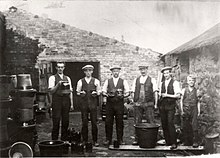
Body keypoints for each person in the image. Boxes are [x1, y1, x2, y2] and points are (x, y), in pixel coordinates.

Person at [131, 65, 158, 145]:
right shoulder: (136, 80)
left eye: (144, 70)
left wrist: (156, 103)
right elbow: (132, 91)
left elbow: (155, 92)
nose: (143, 71)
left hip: (148, 103)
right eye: (141, 70)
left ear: (147, 70)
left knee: (151, 120)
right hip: (138, 103)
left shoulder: (152, 79)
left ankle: (153, 139)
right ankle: (137, 139)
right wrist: (134, 101)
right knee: (137, 121)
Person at [102, 66, 130, 146]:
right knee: (108, 122)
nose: (115, 73)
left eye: (117, 71)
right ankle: (108, 139)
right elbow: (103, 91)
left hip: (119, 104)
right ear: (112, 72)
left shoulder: (123, 81)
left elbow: (128, 92)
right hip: (110, 104)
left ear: (119, 72)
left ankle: (120, 139)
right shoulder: (108, 81)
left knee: (120, 122)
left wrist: (123, 96)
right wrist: (107, 94)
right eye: (114, 71)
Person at [76, 65, 101, 147]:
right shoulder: (80, 81)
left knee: (94, 123)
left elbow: (99, 92)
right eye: (86, 71)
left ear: (92, 71)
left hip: (93, 105)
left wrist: (96, 93)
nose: (88, 72)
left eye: (90, 70)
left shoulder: (96, 81)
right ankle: (85, 140)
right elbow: (77, 92)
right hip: (84, 105)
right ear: (84, 72)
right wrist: (81, 94)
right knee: (84, 122)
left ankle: (95, 140)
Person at [48, 62, 73, 141]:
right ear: (56, 68)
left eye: (62, 67)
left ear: (64, 68)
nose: (60, 69)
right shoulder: (52, 78)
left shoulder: (67, 78)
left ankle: (64, 140)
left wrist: (72, 104)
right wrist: (58, 85)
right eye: (58, 67)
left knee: (65, 121)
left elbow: (70, 92)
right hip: (57, 101)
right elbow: (51, 91)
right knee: (56, 121)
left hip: (66, 101)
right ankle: (54, 141)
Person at [158, 66, 181, 150]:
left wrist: (167, 95)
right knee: (164, 123)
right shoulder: (161, 84)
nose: (166, 75)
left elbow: (178, 95)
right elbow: (160, 94)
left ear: (170, 73)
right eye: (164, 73)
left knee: (170, 123)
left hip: (171, 105)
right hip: (163, 105)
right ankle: (168, 141)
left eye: (167, 73)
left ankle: (174, 142)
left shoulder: (175, 83)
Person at [180, 75, 200, 148]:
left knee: (194, 125)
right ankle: (187, 141)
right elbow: (181, 101)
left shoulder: (196, 91)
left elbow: (198, 102)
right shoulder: (184, 90)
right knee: (186, 125)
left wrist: (198, 111)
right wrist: (181, 110)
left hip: (194, 109)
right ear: (187, 82)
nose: (191, 82)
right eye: (190, 80)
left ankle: (195, 141)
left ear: (194, 82)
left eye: (193, 80)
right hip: (186, 109)